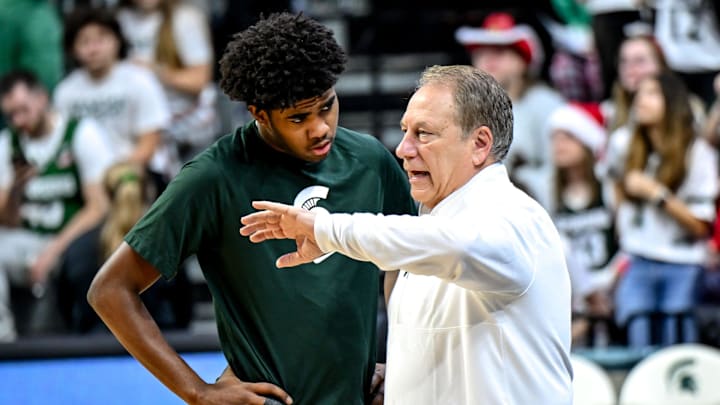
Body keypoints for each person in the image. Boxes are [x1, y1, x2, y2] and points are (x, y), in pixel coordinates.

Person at [87, 12, 415, 405]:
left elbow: (409, 260)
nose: (320, 128)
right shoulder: (213, 178)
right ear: (259, 113)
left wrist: (400, 360)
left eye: (327, 106)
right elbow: (110, 290)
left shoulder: (370, 161)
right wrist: (196, 391)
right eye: (298, 118)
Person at [240, 65, 573, 404]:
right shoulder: (434, 226)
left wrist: (324, 228)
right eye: (405, 131)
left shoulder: (514, 217)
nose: (403, 149)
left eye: (424, 134)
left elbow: (452, 245)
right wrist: (399, 375)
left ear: (480, 144)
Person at [0, 70, 113, 340]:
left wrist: (52, 250)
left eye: (23, 110)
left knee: (75, 260)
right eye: (11, 114)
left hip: (72, 239)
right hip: (26, 238)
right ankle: (4, 341)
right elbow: (8, 220)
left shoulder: (81, 133)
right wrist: (16, 188)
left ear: (42, 98)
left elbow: (98, 207)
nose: (18, 121)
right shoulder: (7, 144)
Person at [613, 72, 719, 348]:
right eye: (639, 93)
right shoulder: (624, 144)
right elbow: (614, 187)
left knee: (678, 339)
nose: (641, 100)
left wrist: (657, 194)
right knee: (637, 334)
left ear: (672, 102)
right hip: (637, 255)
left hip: (682, 260)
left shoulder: (696, 153)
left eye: (652, 93)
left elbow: (701, 225)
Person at [455, 12, 565, 211]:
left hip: (532, 212)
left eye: (499, 52)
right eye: (481, 53)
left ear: (522, 62)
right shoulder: (462, 110)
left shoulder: (544, 103)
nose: (489, 59)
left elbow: (561, 171)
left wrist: (521, 182)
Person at [54, 7, 171, 182]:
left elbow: (149, 142)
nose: (93, 49)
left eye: (101, 39)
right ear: (72, 49)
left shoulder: (140, 81)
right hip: (86, 179)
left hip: (137, 175)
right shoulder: (65, 93)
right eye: (84, 42)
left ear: (117, 40)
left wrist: (114, 174)